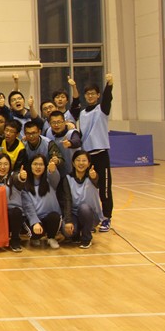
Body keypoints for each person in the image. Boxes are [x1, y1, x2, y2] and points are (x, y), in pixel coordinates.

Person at [70, 73, 114, 232]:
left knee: (105, 188)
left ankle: (107, 217)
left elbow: (108, 99)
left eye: (93, 93)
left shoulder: (102, 109)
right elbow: (81, 134)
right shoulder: (82, 114)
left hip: (101, 154)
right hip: (87, 156)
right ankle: (91, 218)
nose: (90, 96)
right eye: (88, 94)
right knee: (88, 188)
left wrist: (109, 84)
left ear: (98, 95)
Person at [15, 154, 68, 249]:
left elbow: (55, 178)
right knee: (36, 231)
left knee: (55, 217)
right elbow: (27, 206)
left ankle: (51, 238)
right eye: (35, 164)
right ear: (30, 166)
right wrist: (35, 222)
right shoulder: (25, 184)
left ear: (45, 166)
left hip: (48, 217)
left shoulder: (50, 180)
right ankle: (35, 237)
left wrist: (53, 171)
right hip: (34, 218)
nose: (38, 167)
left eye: (41, 164)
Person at [61, 150, 104, 249]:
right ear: (73, 163)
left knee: (84, 208)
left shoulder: (92, 176)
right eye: (78, 160)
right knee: (68, 233)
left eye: (84, 160)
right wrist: (68, 221)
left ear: (88, 163)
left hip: (90, 214)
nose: (81, 163)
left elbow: (97, 182)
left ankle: (86, 238)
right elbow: (67, 200)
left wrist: (94, 177)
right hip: (74, 214)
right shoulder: (67, 178)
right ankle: (77, 233)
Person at [0, 153, 24, 252]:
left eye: (6, 164)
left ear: (10, 166)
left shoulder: (13, 176)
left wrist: (22, 178)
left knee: (16, 212)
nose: (3, 167)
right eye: (0, 164)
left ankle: (15, 240)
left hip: (12, 214)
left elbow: (19, 180)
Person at [46, 110, 82, 177]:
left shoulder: (72, 132)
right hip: (56, 173)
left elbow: (78, 142)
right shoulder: (48, 132)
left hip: (73, 173)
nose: (56, 125)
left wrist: (70, 143)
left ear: (65, 122)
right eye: (53, 122)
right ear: (49, 124)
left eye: (59, 122)